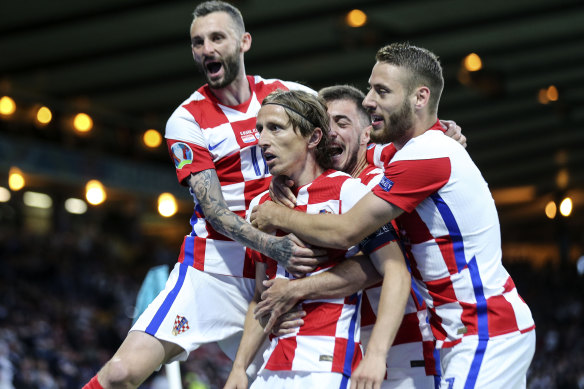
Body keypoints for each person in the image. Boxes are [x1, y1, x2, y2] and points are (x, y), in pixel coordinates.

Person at [251, 43, 536, 388]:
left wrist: (276, 215)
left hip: (483, 328)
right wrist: (282, 177)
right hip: (463, 332)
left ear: (420, 98)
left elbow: (346, 231)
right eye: (370, 88)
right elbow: (367, 155)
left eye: (381, 91)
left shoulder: (425, 155)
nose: (369, 99)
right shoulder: (408, 153)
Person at [83, 2, 324, 388]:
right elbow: (214, 211)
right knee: (120, 374)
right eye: (198, 42)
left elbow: (352, 126)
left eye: (217, 38)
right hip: (213, 272)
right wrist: (272, 244)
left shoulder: (290, 94)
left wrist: (430, 129)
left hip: (274, 277)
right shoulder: (186, 118)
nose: (206, 49)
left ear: (244, 42)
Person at [224, 89, 411, 389]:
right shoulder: (261, 206)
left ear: (312, 138)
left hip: (326, 364)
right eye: (259, 129)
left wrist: (376, 354)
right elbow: (262, 297)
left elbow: (391, 269)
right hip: (272, 364)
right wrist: (239, 368)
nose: (261, 140)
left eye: (275, 128)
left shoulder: (348, 192)